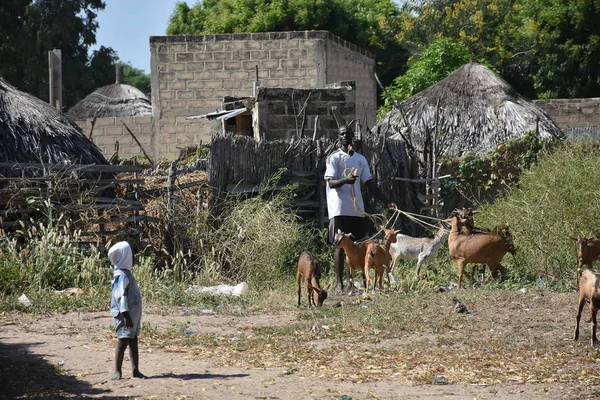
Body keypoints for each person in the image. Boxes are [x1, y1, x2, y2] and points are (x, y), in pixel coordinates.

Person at [325, 124, 397, 294]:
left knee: (362, 246)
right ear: (338, 137)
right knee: (339, 246)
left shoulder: (360, 159)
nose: (345, 137)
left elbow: (370, 184)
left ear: (352, 137)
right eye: (342, 134)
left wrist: (387, 201)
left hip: (357, 209)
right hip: (339, 208)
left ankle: (364, 281)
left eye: (348, 134)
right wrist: (345, 180)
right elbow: (330, 182)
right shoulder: (334, 158)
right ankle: (340, 284)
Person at [108, 241, 146, 380]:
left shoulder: (126, 274)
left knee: (133, 340)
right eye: (133, 255)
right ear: (126, 257)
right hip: (124, 315)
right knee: (123, 341)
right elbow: (120, 297)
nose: (135, 258)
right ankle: (117, 371)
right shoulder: (121, 276)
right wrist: (126, 315)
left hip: (132, 315)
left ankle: (136, 370)